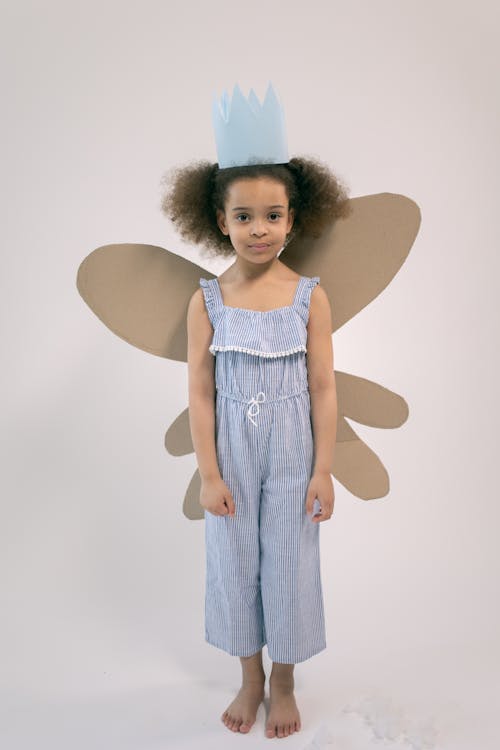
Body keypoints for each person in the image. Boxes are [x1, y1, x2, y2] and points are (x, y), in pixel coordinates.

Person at [161, 87, 350, 739]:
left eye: (273, 214)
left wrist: (323, 469)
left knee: (291, 562)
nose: (260, 228)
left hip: (294, 454)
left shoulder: (308, 299)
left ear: (294, 219)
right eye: (245, 217)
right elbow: (199, 392)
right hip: (233, 458)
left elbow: (323, 387)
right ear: (219, 221)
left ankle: (285, 681)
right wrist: (210, 474)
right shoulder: (207, 302)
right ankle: (248, 677)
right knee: (235, 561)